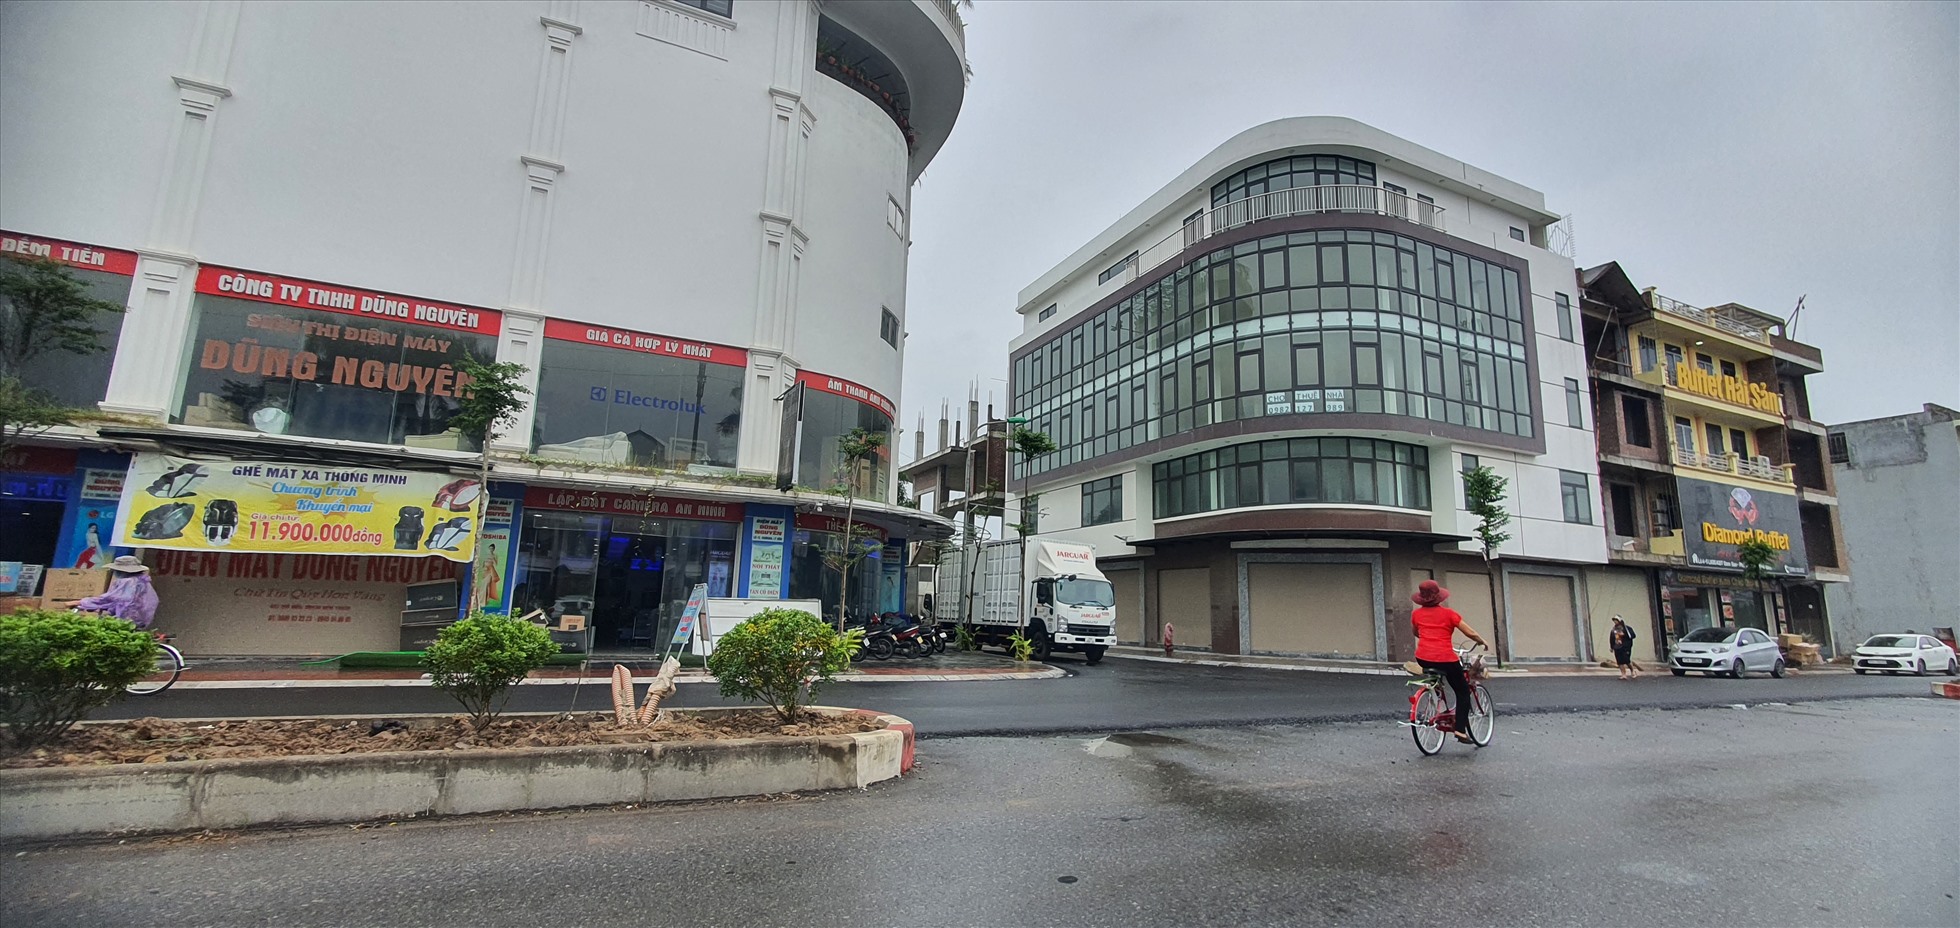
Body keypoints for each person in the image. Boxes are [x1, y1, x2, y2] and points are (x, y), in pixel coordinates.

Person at [1410, 580, 1490, 743]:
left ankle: (1437, 699)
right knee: (1462, 691)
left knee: (1437, 679)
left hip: (1423, 657)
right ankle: (1460, 730)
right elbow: (1470, 632)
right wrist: (1481, 641)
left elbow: (1416, 632)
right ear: (1439, 597)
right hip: (1445, 658)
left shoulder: (1416, 614)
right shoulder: (1449, 614)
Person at [65, 556, 161, 630]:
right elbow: (123, 602)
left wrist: (80, 602)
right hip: (139, 620)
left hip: (127, 620)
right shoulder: (142, 582)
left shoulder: (128, 582)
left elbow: (110, 599)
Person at [1609, 615, 1639, 679]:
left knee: (1626, 660)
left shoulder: (1627, 628)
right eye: (1614, 621)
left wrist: (1624, 634)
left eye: (1616, 620)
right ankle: (1623, 674)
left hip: (1625, 647)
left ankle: (1632, 671)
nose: (1615, 622)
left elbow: (1633, 636)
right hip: (1617, 647)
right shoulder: (1614, 629)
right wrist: (1612, 647)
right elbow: (1612, 638)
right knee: (1620, 661)